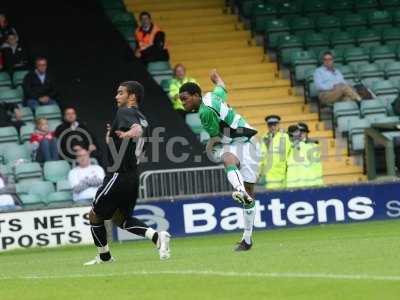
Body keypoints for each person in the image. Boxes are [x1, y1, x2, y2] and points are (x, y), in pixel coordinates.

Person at [84, 81, 171, 265]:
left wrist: (128, 133)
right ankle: (157, 237)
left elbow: (136, 130)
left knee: (94, 215)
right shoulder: (143, 117)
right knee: (121, 219)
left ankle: (104, 257)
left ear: (132, 96)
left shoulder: (125, 112)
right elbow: (138, 138)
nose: (116, 97)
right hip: (132, 176)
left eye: (120, 93)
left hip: (118, 174)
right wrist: (115, 138)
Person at [179, 70, 260, 251]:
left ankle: (247, 237)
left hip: (241, 142)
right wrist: (216, 78)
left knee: (245, 184)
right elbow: (222, 87)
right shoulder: (211, 96)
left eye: (185, 98)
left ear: (195, 96)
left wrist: (207, 147)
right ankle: (241, 196)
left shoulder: (204, 112)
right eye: (181, 100)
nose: (182, 103)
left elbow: (216, 137)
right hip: (248, 138)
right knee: (228, 159)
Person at [286, 123, 323, 188]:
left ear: (306, 133)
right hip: (293, 185)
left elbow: (317, 168)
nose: (299, 135)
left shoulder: (313, 146)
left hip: (310, 184)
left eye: (301, 132)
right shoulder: (290, 145)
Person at [259, 115, 291, 190]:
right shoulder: (264, 138)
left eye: (275, 125)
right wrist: (260, 173)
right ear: (267, 126)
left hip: (283, 176)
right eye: (270, 125)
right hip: (268, 178)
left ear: (278, 125)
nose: (273, 127)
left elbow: (290, 154)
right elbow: (261, 158)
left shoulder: (285, 137)